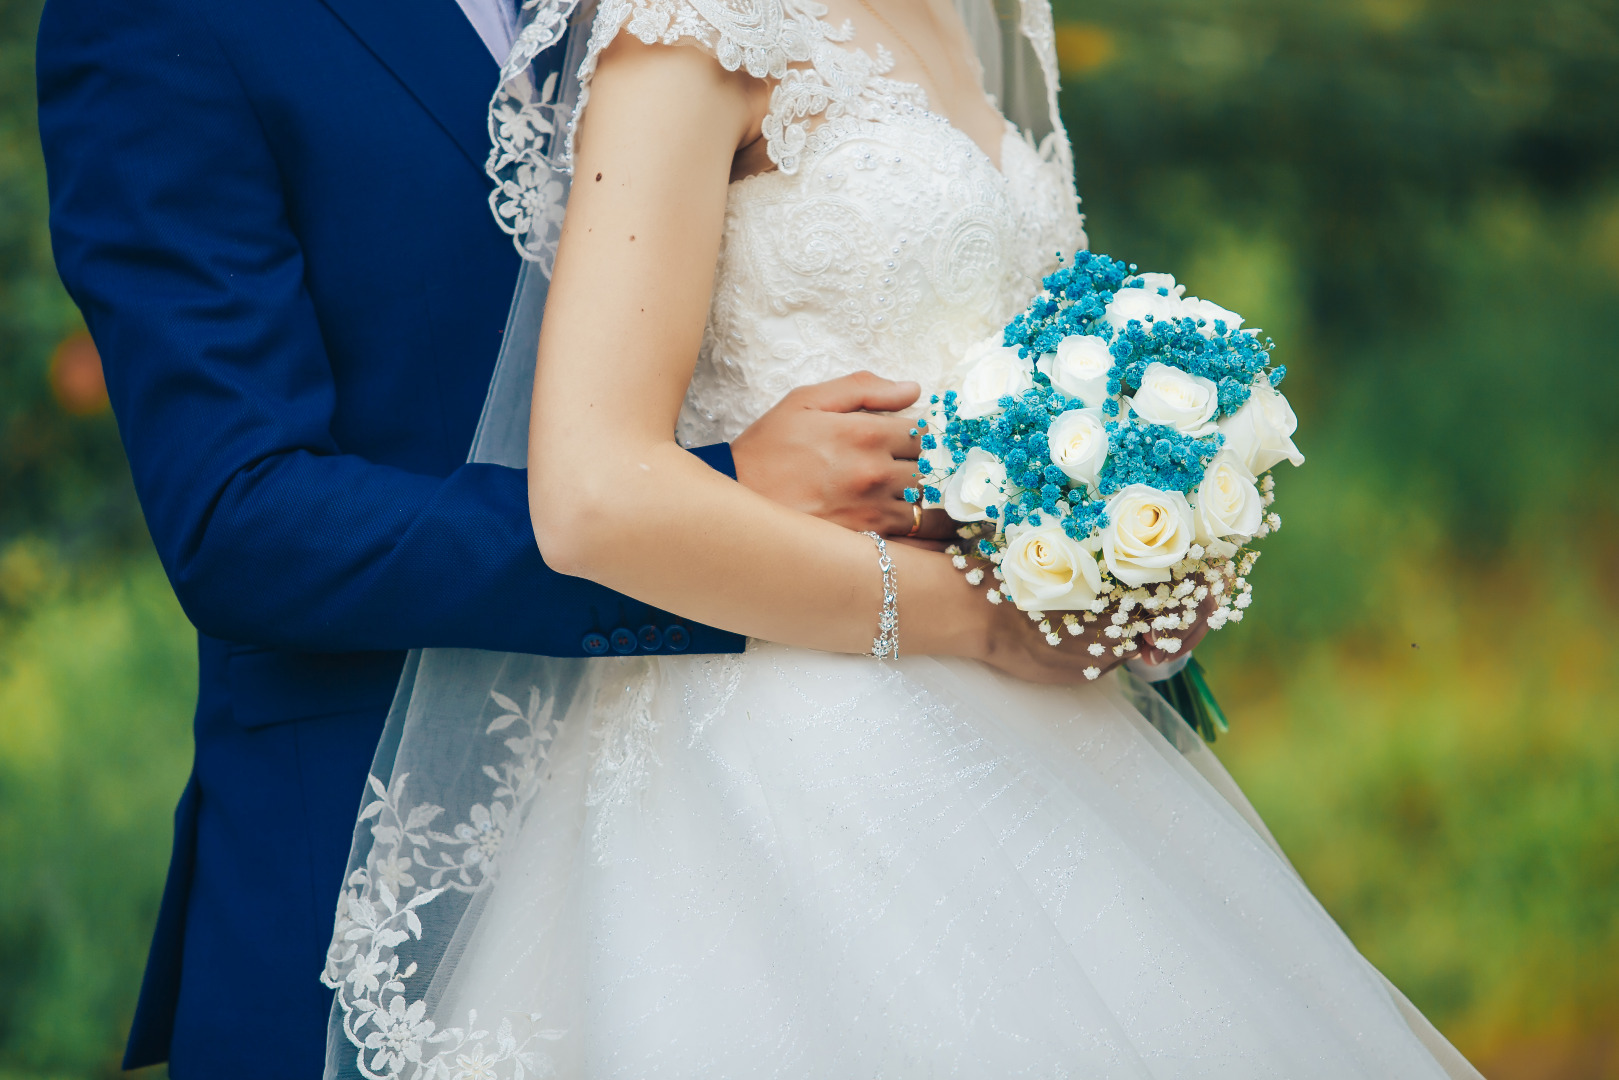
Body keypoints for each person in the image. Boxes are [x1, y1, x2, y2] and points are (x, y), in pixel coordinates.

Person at [319, 0, 1487, 1075]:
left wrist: (1128, 553)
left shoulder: (983, 16)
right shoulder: (686, 23)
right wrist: (980, 621)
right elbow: (593, 497)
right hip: (793, 756)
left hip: (1056, 735)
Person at [35, 0, 1049, 1074]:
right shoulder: (158, 21)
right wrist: (716, 495)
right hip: (386, 853)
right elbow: (244, 522)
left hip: (845, 787)